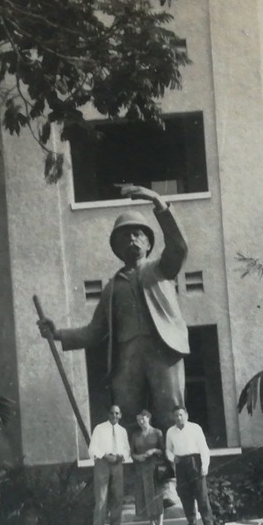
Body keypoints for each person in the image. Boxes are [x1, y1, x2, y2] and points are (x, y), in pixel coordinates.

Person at [37, 183, 189, 461]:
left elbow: (178, 247)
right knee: (126, 413)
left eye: (138, 234)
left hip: (162, 351)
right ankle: (129, 475)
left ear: (148, 242)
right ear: (117, 247)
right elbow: (94, 332)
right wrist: (56, 333)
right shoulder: (111, 288)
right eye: (125, 236)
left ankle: (171, 478)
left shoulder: (161, 270)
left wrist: (159, 203)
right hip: (128, 356)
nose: (132, 238)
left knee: (170, 411)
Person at [164, 405, 214, 525]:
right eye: (176, 415)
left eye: (181, 415)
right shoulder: (170, 432)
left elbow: (204, 447)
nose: (179, 418)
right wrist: (172, 457)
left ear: (186, 415)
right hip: (180, 464)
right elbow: (168, 449)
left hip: (195, 462)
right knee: (185, 496)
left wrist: (205, 466)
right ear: (173, 417)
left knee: (201, 495)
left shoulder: (195, 428)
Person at [87, 404, 131, 525]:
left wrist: (119, 456)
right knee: (101, 498)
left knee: (118, 497)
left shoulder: (123, 431)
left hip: (117, 463)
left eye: (117, 413)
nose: (114, 416)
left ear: (120, 415)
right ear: (108, 414)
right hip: (103, 463)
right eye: (112, 413)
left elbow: (127, 449)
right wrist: (105, 456)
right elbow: (92, 448)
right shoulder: (99, 429)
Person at [129, 408, 166, 525]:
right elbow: (132, 453)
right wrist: (137, 457)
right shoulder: (135, 435)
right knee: (145, 496)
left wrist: (154, 451)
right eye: (138, 419)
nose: (141, 421)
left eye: (143, 419)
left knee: (157, 495)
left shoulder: (157, 433)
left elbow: (163, 450)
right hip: (141, 468)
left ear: (148, 418)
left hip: (155, 468)